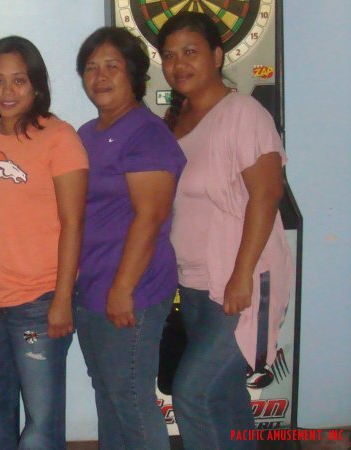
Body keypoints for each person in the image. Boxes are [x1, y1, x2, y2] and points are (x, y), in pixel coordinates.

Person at [158, 12, 293, 450]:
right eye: (169, 56)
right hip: (195, 285)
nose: (178, 64)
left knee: (194, 394)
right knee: (224, 397)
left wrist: (241, 275)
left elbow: (267, 194)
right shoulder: (177, 121)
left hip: (240, 283)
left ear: (217, 56)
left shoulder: (243, 114)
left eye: (190, 52)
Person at [0, 36, 89, 450]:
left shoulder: (59, 137)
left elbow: (74, 223)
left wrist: (63, 299)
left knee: (41, 423)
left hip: (38, 301)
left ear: (36, 85)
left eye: (19, 80)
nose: (8, 90)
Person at [74, 27, 186, 450]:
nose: (100, 76)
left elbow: (151, 216)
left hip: (131, 291)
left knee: (131, 399)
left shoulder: (146, 133)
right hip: (92, 287)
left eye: (112, 66)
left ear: (133, 73)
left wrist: (123, 289)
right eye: (91, 68)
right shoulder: (86, 134)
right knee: (108, 393)